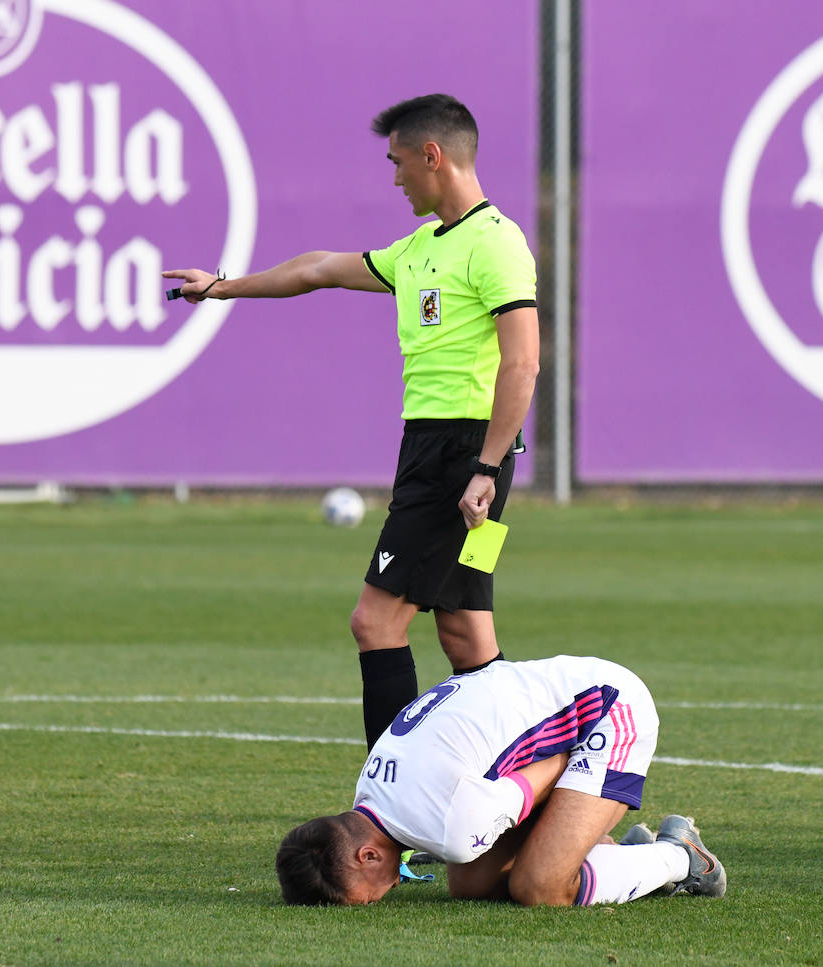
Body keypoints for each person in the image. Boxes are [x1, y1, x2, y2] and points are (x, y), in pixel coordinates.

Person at [163, 94, 541, 748]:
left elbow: (523, 362)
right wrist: (221, 286)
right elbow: (317, 269)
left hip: (463, 461)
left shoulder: (496, 243)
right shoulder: (422, 246)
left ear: (433, 156)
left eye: (398, 163)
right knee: (466, 631)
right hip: (439, 453)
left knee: (375, 623)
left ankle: (392, 813)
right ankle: (529, 789)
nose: (394, 178)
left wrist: (484, 466)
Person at [275, 655, 727, 907]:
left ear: (366, 854)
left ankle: (681, 858)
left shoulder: (450, 826)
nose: (379, 898)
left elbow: (547, 772)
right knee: (470, 885)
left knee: (540, 887)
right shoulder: (371, 791)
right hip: (567, 688)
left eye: (366, 898)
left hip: (607, 712)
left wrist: (579, 805)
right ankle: (615, 856)